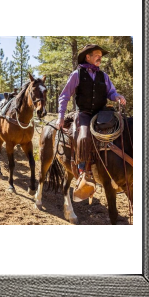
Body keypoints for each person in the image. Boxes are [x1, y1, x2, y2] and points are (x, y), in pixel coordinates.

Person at [56, 44, 127, 201]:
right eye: (97, 54)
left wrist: (118, 97)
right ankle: (84, 175)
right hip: (85, 114)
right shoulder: (77, 74)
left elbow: (111, 92)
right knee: (84, 137)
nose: (100, 57)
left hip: (103, 113)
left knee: (122, 129)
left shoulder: (104, 76)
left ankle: (117, 170)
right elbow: (64, 96)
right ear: (87, 57)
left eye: (101, 55)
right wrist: (61, 116)